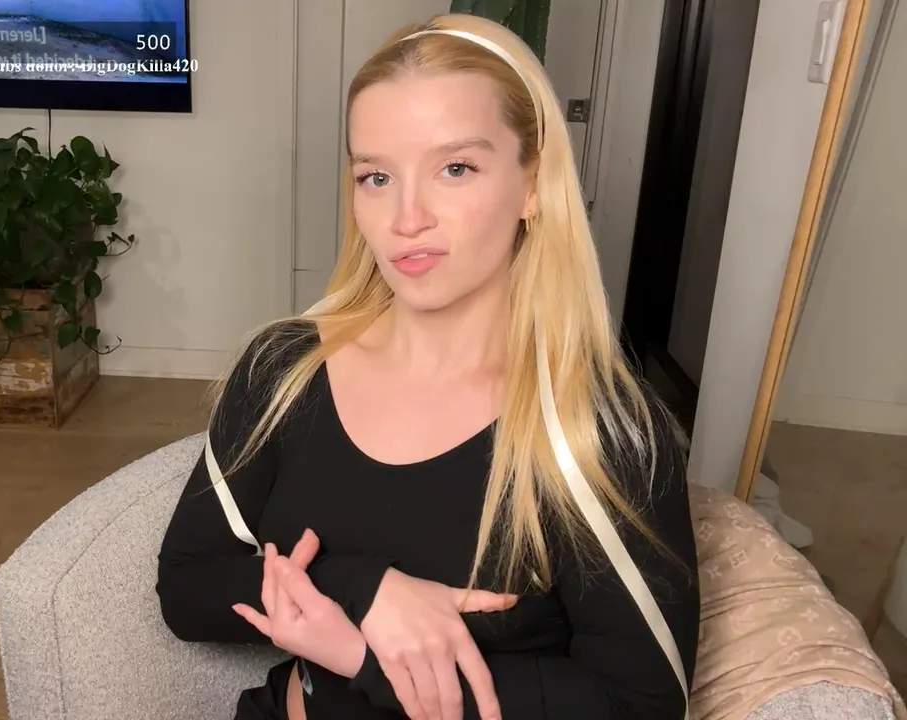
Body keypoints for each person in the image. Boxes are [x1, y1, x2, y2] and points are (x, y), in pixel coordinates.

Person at [155, 13, 700, 720]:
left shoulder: (602, 432)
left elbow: (641, 705)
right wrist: (362, 590)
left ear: (533, 185)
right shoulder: (284, 370)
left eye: (455, 168)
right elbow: (188, 585)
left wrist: (364, 659)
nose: (406, 218)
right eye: (376, 176)